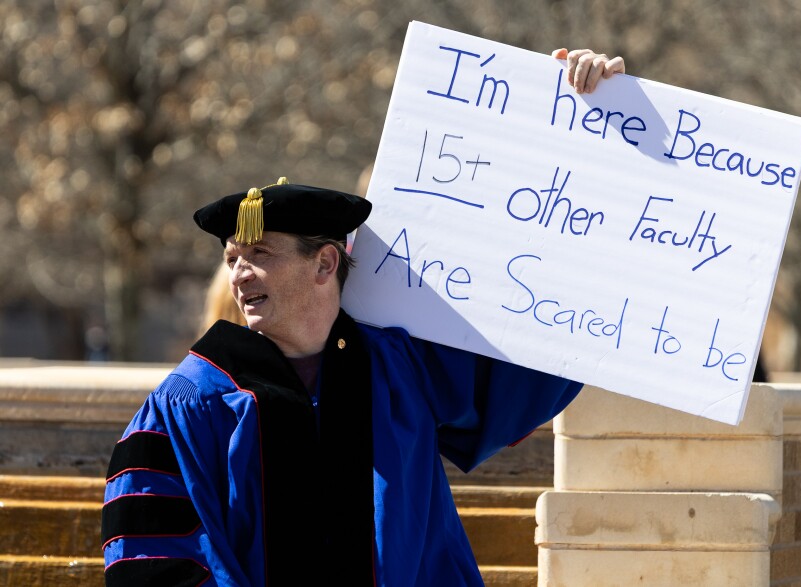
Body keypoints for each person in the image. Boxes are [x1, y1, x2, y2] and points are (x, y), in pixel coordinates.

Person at [101, 48, 625, 586]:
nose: (239, 275)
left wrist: (593, 122)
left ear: (325, 262)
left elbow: (540, 349)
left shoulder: (399, 366)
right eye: (233, 258)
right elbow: (153, 560)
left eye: (261, 255)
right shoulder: (190, 402)